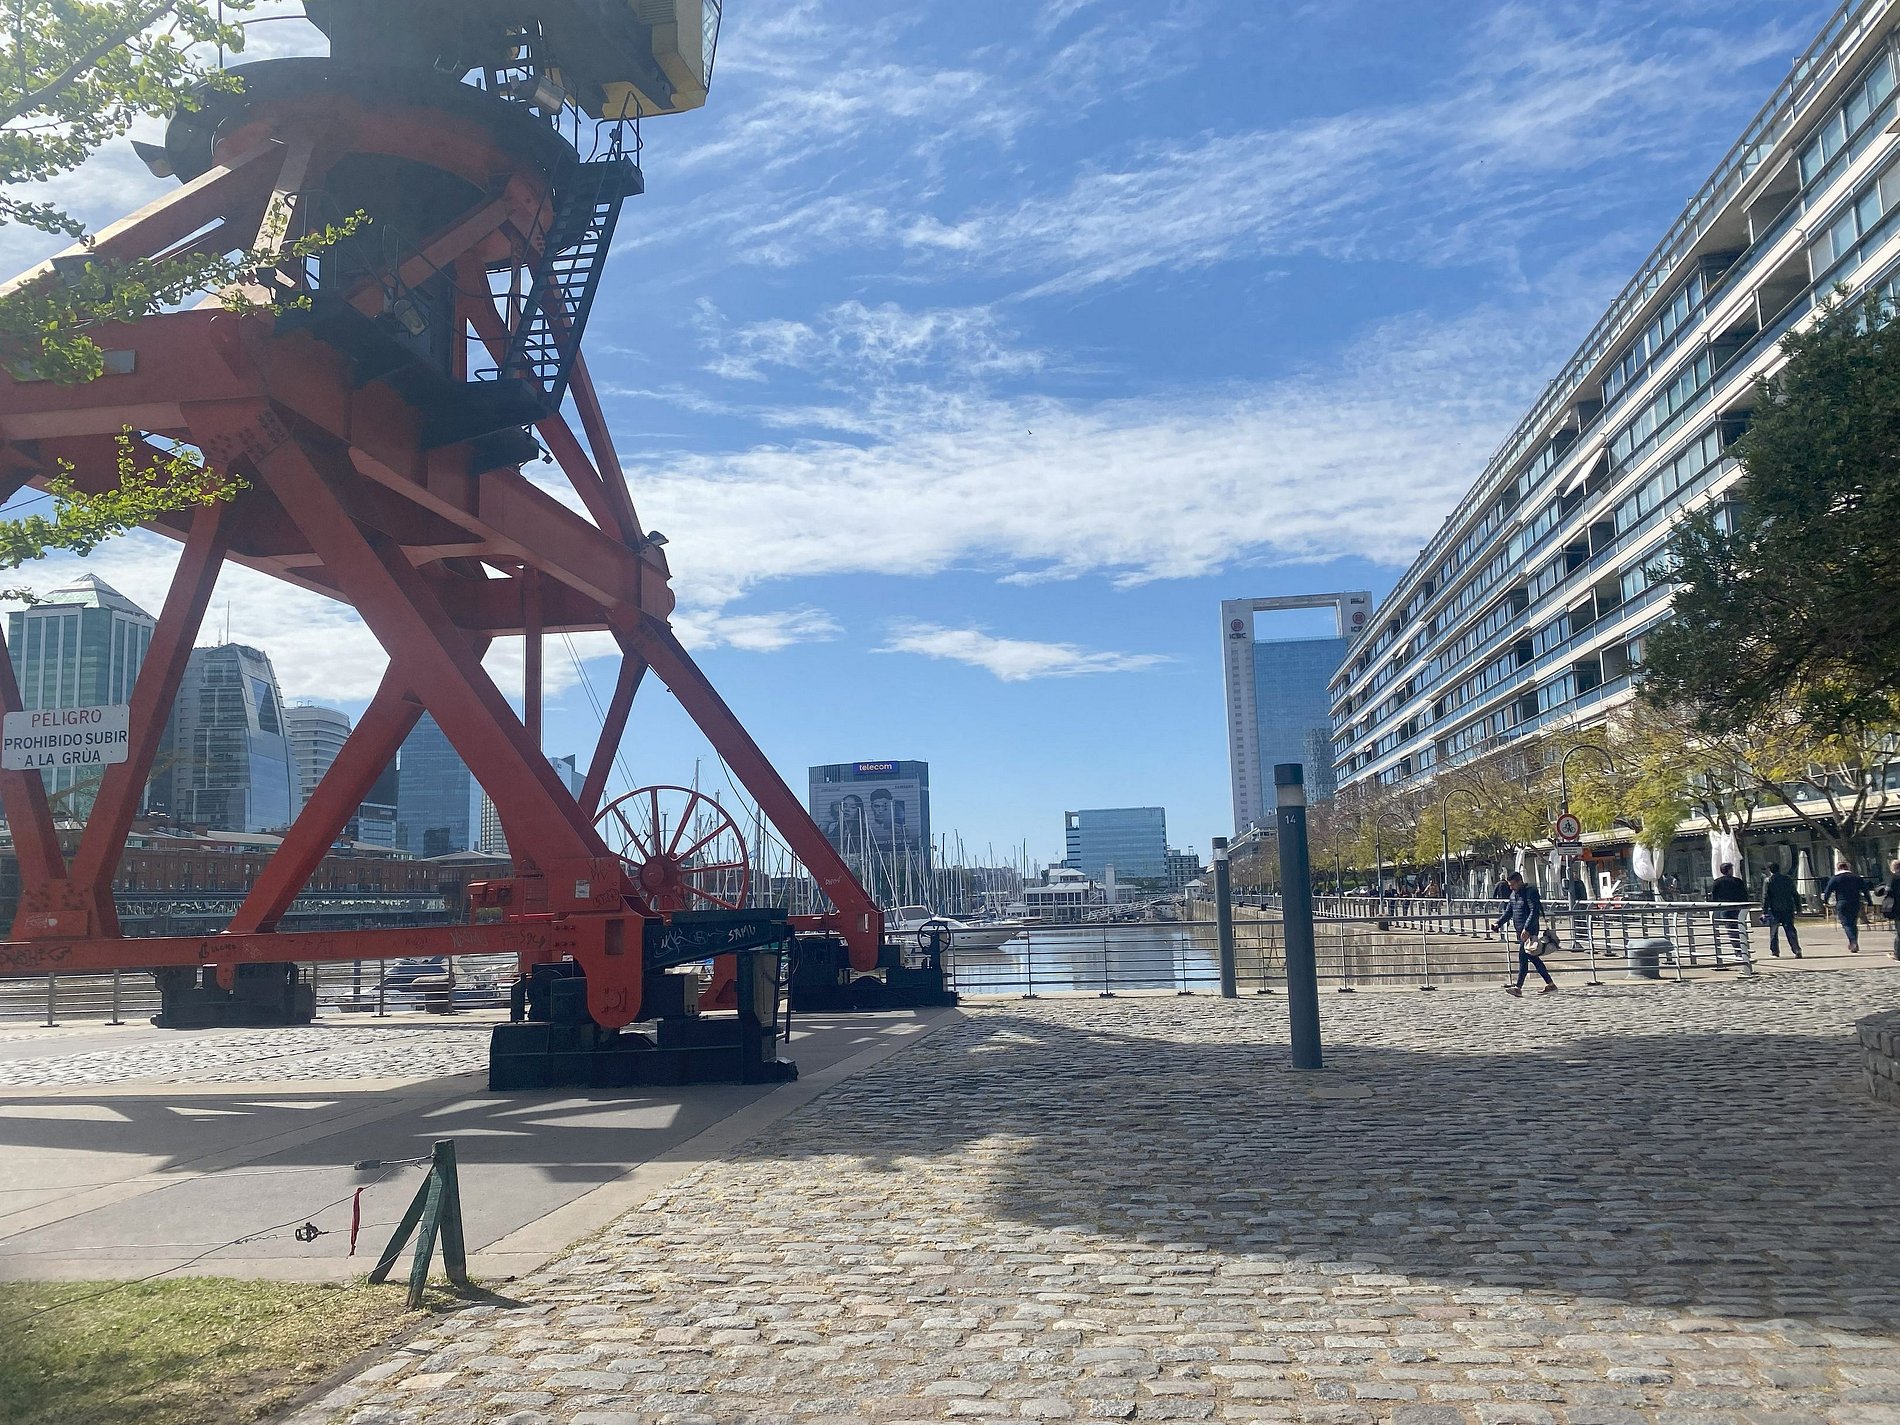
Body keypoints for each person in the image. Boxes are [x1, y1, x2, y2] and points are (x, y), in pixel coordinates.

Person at [1492, 871, 1555, 997]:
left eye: (1513, 884)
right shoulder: (1513, 895)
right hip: (1520, 932)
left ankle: (1518, 987)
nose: (1511, 887)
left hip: (1529, 932)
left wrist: (1527, 928)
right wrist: (1498, 923)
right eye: (1510, 885)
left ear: (1520, 881)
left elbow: (1534, 911)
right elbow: (1509, 912)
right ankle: (1550, 984)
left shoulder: (1530, 892)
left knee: (1523, 958)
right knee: (1533, 959)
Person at [1822, 861, 1872, 954]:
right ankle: (1854, 941)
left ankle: (1853, 942)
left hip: (1842, 903)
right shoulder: (1857, 878)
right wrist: (1869, 902)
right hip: (1855, 902)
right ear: (1848, 867)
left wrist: (1825, 901)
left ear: (1838, 868)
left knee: (1846, 924)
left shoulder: (1835, 878)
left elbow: (1827, 891)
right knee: (1853, 923)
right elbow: (1865, 890)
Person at [1760, 862, 1803, 959]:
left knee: (1774, 931)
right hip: (1788, 908)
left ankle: (1775, 951)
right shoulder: (1787, 879)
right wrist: (1798, 908)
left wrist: (1764, 911)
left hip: (1774, 909)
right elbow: (1795, 894)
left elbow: (1765, 896)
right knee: (1790, 929)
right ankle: (1796, 949)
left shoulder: (1768, 880)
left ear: (1770, 870)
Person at [1709, 861, 1749, 965]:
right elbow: (1744, 895)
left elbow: (1713, 898)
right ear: (1730, 870)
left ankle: (1738, 951)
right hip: (1738, 909)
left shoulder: (1717, 882)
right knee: (1741, 929)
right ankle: (1744, 950)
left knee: (1731, 931)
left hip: (1725, 909)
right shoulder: (1737, 881)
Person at [1882, 858, 1900, 962]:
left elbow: (1888, 891)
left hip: (1898, 907)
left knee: (1899, 933)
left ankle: (1897, 954)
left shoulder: (1894, 877)